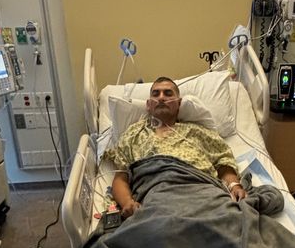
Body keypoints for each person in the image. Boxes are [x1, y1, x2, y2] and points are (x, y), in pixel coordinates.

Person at [105, 77, 246, 218]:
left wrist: (234, 185)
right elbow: (120, 177)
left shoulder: (197, 131)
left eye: (168, 93)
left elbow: (223, 163)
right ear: (148, 105)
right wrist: (127, 203)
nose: (161, 98)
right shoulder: (132, 134)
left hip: (203, 194)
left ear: (179, 104)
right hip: (155, 200)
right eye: (156, 94)